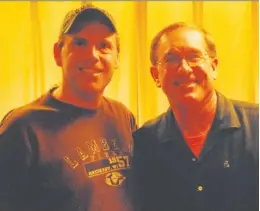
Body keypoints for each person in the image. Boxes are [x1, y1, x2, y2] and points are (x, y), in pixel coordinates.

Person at [0, 4, 137, 211]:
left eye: (104, 46)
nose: (93, 55)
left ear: (117, 57)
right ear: (58, 53)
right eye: (80, 43)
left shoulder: (122, 116)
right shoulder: (22, 129)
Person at [131, 22, 258, 211]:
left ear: (214, 67)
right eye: (171, 59)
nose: (184, 68)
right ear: (155, 74)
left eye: (194, 57)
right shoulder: (144, 142)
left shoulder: (256, 126)